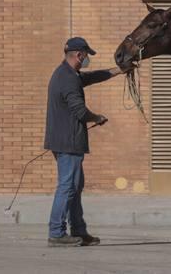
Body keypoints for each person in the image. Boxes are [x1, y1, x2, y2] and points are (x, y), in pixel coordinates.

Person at [45, 36, 119, 247]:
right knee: (67, 187)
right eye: (86, 55)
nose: (88, 59)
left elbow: (92, 77)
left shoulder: (67, 74)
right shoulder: (67, 79)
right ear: (79, 55)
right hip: (68, 142)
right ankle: (57, 233)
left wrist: (118, 70)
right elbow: (79, 110)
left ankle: (78, 230)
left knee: (75, 187)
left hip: (65, 141)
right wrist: (97, 117)